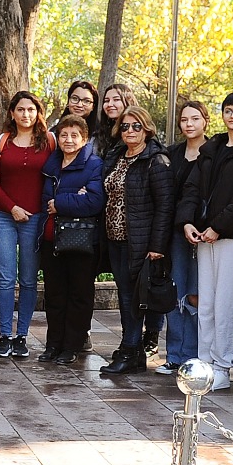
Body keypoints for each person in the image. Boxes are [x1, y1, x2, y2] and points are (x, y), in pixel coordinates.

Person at [177, 91, 233, 391]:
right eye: (228, 110)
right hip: (204, 238)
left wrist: (218, 226)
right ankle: (204, 364)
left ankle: (223, 367)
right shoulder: (211, 149)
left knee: (226, 305)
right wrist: (189, 221)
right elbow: (191, 188)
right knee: (207, 305)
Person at [98, 105, 175, 374]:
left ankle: (130, 350)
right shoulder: (116, 155)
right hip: (115, 239)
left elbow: (165, 206)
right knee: (125, 295)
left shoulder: (156, 160)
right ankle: (133, 351)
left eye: (136, 126)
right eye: (126, 126)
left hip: (140, 243)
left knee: (133, 299)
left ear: (147, 129)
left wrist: (156, 247)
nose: (130, 131)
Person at [0, 90, 53, 359]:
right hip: (3, 216)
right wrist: (11, 208)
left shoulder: (49, 141)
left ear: (38, 113)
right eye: (21, 109)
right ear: (12, 113)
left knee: (28, 280)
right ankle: (4, 335)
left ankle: (22, 336)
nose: (26, 114)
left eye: (31, 109)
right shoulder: (1, 141)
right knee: (5, 278)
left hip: (35, 218)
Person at [38, 114, 105, 364]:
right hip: (53, 237)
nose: (68, 140)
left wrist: (62, 202)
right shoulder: (51, 164)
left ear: (84, 139)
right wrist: (74, 198)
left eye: (74, 135)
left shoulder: (94, 164)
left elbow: (94, 201)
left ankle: (72, 345)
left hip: (82, 240)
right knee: (54, 294)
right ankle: (53, 343)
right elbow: (45, 200)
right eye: (64, 134)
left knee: (79, 295)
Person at [162, 100, 209, 374]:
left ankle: (192, 354)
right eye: (184, 120)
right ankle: (174, 354)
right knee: (175, 292)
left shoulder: (214, 152)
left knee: (195, 295)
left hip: (202, 232)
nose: (189, 124)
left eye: (194, 119)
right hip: (175, 232)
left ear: (205, 121)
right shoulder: (173, 154)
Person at [94, 82, 136, 159]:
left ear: (127, 101)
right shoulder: (104, 132)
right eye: (106, 101)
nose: (110, 104)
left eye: (116, 99)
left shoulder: (139, 130)